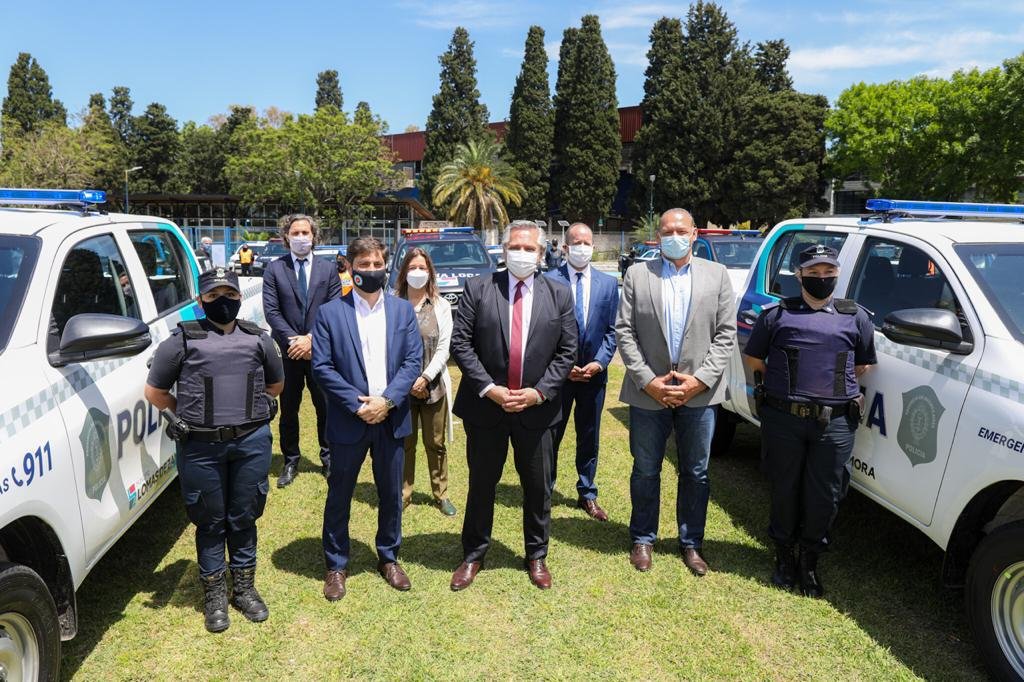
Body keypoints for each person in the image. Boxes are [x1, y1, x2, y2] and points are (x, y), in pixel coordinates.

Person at [144, 268, 284, 633]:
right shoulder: (181, 341)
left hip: (250, 443)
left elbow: (275, 385)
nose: (223, 301)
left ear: (239, 296)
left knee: (244, 516)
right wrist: (187, 414)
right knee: (210, 521)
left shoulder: (258, 338)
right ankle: (215, 596)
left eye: (230, 294)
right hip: (201, 447)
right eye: (213, 296)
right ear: (200, 301)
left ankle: (244, 589)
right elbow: (155, 392)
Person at [449, 220, 577, 591]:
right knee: (481, 484)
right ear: (504, 251)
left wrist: (539, 393)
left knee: (538, 487)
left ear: (541, 253)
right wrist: (490, 389)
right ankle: (474, 554)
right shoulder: (478, 288)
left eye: (529, 248)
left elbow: (567, 350)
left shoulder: (559, 294)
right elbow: (461, 344)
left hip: (537, 409)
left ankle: (536, 555)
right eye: (515, 247)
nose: (522, 254)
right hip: (487, 409)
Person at [742, 244, 876, 597]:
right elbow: (755, 360)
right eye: (813, 272)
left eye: (828, 272)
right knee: (784, 488)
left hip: (835, 423)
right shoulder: (776, 315)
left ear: (837, 274)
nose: (821, 278)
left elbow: (862, 364)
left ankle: (810, 562)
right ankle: (784, 557)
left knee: (826, 495)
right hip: (784, 418)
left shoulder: (856, 317)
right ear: (799, 275)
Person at [615, 208, 736, 577]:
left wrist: (699, 381)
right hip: (648, 392)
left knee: (696, 471)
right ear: (658, 236)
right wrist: (648, 381)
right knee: (645, 469)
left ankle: (691, 542)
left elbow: (725, 334)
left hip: (699, 393)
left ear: (694, 234)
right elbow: (624, 332)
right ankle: (643, 538)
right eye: (667, 231)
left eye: (681, 231)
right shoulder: (638, 275)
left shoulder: (717, 275)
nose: (674, 236)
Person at [312, 236, 423, 600]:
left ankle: (389, 557)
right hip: (349, 420)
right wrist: (359, 405)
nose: (371, 270)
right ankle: (336, 565)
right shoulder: (330, 313)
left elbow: (412, 362)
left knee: (391, 494)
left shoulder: (402, 310)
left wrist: (387, 402)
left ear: (385, 266)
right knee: (340, 493)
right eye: (364, 264)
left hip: (391, 418)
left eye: (377, 264)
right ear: (349, 267)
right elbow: (323, 367)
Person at [544, 223, 618, 521]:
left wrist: (599, 362)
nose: (582, 247)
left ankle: (587, 492)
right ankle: (544, 490)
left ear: (593, 247)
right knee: (551, 435)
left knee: (589, 435)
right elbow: (542, 330)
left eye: (587, 242)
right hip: (558, 377)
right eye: (576, 242)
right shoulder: (548, 280)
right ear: (565, 247)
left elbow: (613, 331)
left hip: (593, 375)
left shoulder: (608, 284)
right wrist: (562, 367)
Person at [262, 214, 341, 487]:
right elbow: (272, 311)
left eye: (305, 232)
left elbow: (334, 309)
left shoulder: (328, 269)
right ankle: (290, 460)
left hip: (321, 351)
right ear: (286, 237)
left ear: (314, 236)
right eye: (295, 232)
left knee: (326, 408)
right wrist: (295, 341)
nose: (300, 237)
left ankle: (329, 458)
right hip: (288, 353)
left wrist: (311, 340)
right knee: (289, 409)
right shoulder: (275, 269)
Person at [395, 247, 458, 516]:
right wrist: (409, 381)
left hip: (433, 386)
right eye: (412, 268)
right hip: (401, 387)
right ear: (403, 272)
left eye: (422, 268)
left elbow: (444, 348)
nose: (417, 272)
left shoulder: (440, 305)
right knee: (405, 443)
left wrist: (424, 377)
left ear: (430, 272)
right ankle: (403, 493)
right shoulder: (393, 303)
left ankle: (441, 494)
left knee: (435, 443)